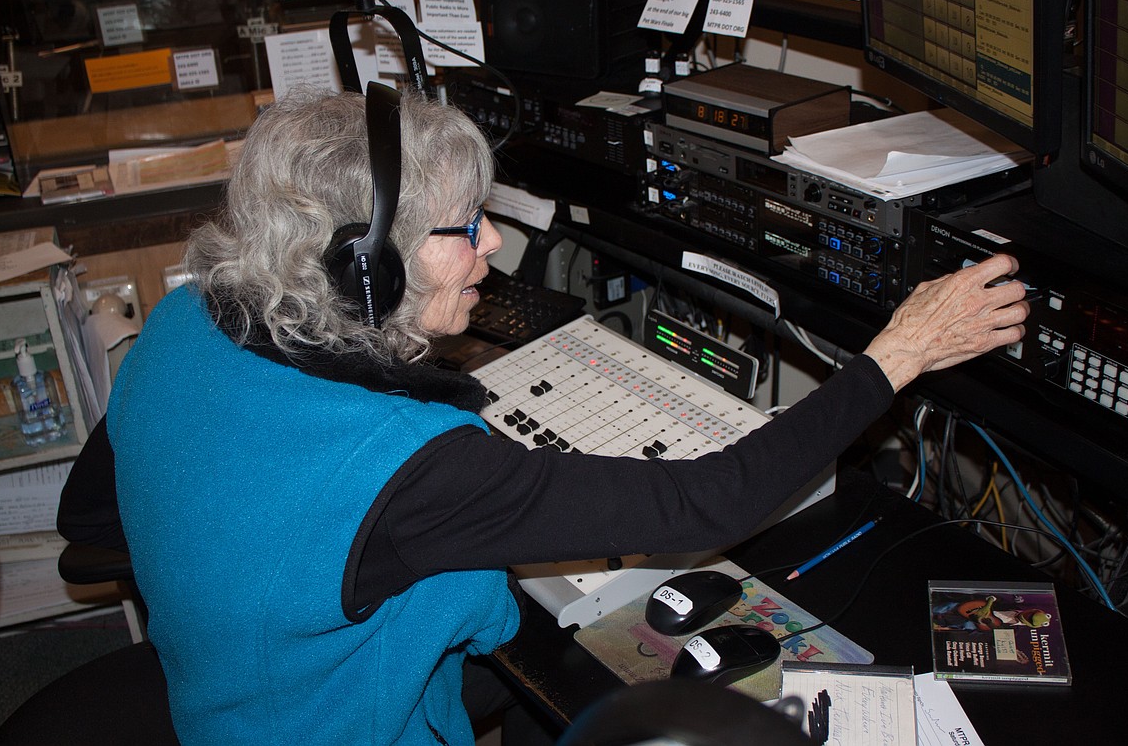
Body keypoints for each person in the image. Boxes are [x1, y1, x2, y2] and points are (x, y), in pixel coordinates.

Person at [58, 86, 1029, 745]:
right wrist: (897, 355)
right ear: (370, 262)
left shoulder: (186, 317)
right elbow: (704, 505)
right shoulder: (407, 467)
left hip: (221, 698)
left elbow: (91, 514)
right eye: (462, 227)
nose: (492, 247)